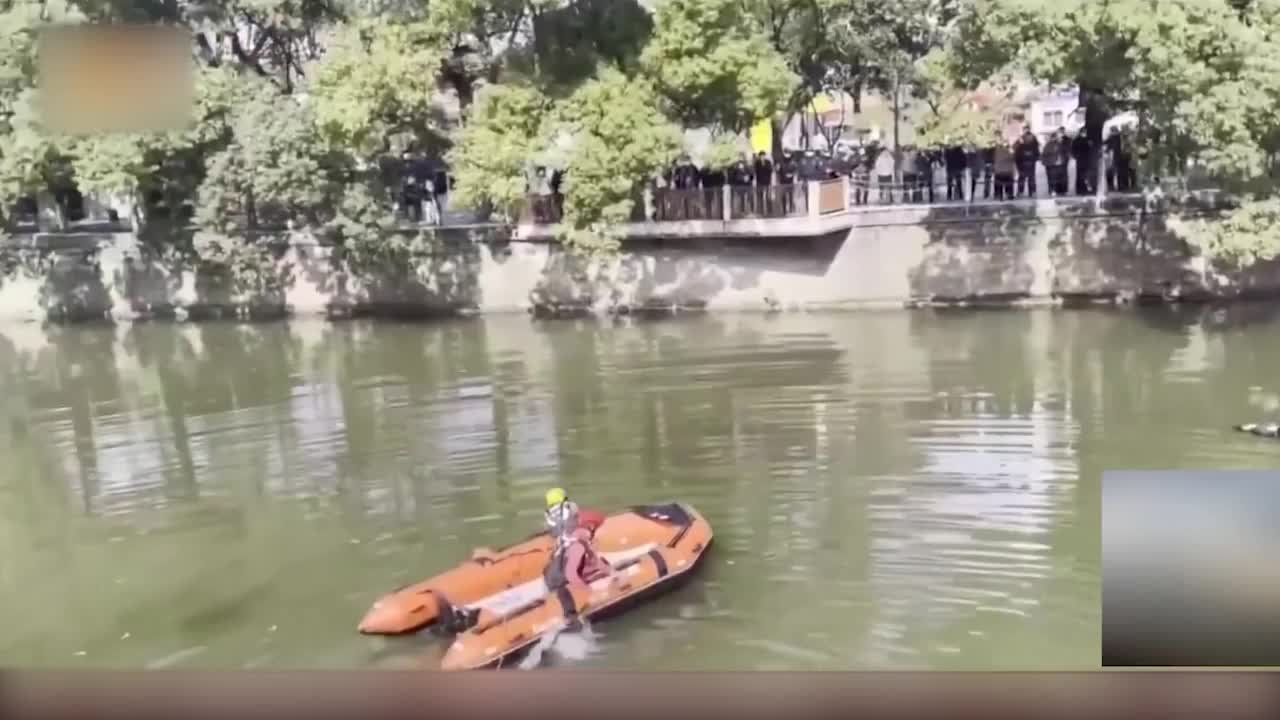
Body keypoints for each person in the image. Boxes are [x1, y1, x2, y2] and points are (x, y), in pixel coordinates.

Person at [543, 508, 618, 591]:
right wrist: (588, 590)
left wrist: (612, 572)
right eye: (590, 528)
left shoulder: (577, 542)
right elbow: (570, 575)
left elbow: (596, 562)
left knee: (602, 565)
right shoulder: (577, 547)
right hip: (559, 585)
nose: (592, 532)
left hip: (561, 576)